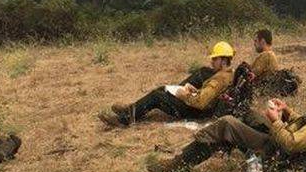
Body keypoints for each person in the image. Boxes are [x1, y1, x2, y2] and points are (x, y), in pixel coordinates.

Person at [147, 69, 306, 172]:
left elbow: (292, 144)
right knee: (248, 114)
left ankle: (177, 166)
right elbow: (303, 126)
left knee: (227, 124)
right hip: (281, 146)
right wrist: (287, 111)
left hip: (280, 157)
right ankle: (214, 145)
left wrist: (276, 121)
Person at [99, 42, 235, 127]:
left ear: (223, 60)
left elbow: (200, 103)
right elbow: (207, 96)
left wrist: (184, 95)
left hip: (197, 112)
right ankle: (131, 110)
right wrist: (195, 91)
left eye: (215, 59)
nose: (212, 62)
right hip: (204, 107)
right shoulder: (227, 74)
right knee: (162, 91)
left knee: (157, 95)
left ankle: (125, 119)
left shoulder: (219, 79)